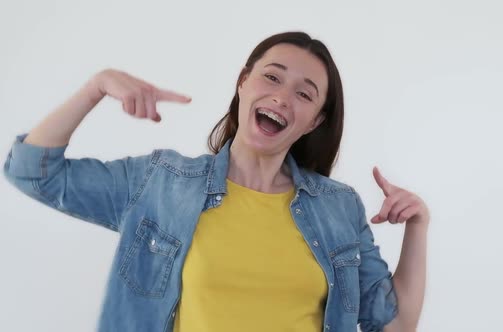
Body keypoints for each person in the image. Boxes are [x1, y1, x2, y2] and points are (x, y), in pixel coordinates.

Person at [3, 31, 429, 332]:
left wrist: (418, 226)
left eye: (305, 92)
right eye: (272, 76)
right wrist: (95, 88)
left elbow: (393, 324)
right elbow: (31, 172)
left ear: (315, 120)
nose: (282, 96)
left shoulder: (339, 207)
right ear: (243, 82)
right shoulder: (162, 184)